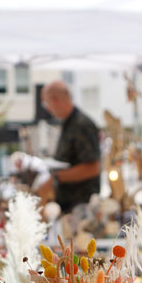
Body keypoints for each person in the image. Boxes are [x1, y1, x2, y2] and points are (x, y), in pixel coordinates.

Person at [39, 81, 102, 212]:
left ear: (54, 100)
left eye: (46, 104)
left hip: (81, 207)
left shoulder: (81, 125)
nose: (47, 109)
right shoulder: (69, 123)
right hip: (69, 205)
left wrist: (56, 177)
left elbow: (93, 168)